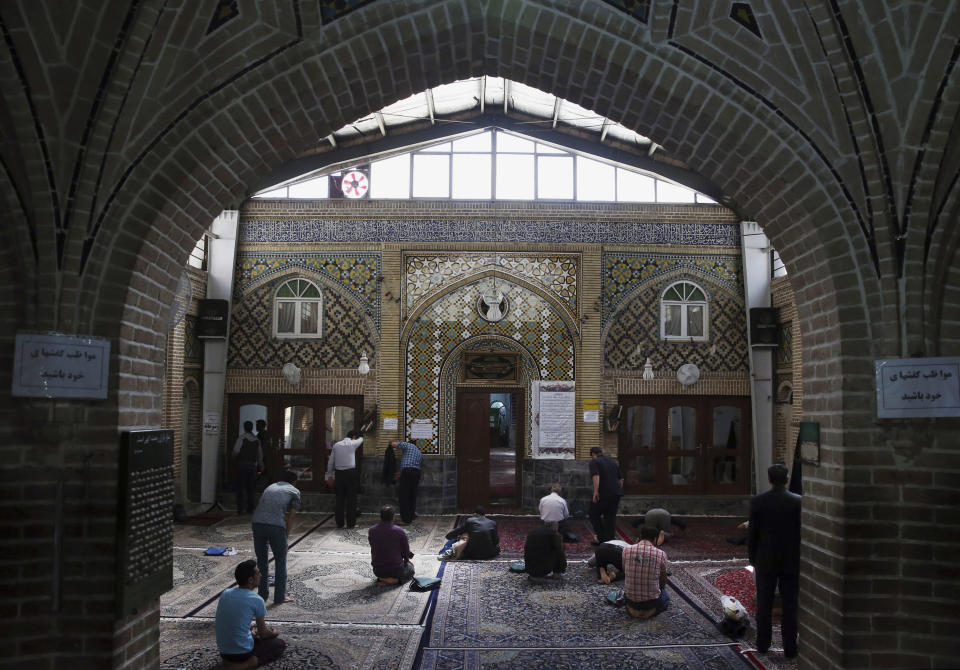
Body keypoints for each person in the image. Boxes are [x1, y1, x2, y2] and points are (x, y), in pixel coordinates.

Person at [749, 463, 801, 658]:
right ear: (786, 478)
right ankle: (790, 648)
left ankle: (762, 644)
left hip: (766, 559)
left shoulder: (758, 501)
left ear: (769, 479)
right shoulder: (797, 501)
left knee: (764, 603)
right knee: (790, 604)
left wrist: (753, 558)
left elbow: (753, 534)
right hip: (790, 560)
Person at [215, 559, 285, 669]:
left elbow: (230, 620)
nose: (261, 575)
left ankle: (230, 662)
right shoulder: (256, 600)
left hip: (224, 652)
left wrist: (247, 629)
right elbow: (263, 634)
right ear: (251, 580)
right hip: (242, 653)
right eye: (258, 573)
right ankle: (246, 664)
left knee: (252, 634)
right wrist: (274, 633)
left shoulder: (226, 593)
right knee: (279, 644)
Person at [251, 471, 300, 605]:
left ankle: (262, 595)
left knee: (262, 562)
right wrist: (286, 536)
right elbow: (291, 516)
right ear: (294, 482)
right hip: (275, 526)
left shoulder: (270, 487)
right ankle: (279, 597)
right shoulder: (294, 491)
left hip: (257, 523)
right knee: (280, 560)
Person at [623, 525, 670, 618]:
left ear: (640, 537)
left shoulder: (626, 550)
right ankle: (649, 612)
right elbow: (663, 579)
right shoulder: (660, 554)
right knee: (665, 595)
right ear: (655, 539)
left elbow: (625, 571)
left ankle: (633, 610)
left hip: (631, 601)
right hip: (651, 603)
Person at [325, 430, 364, 528]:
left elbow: (331, 461)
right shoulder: (353, 443)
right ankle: (351, 524)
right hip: (351, 474)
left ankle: (340, 523)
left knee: (339, 499)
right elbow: (361, 439)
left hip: (339, 475)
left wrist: (330, 475)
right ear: (354, 436)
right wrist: (361, 435)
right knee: (351, 500)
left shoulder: (337, 445)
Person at [368, 505, 415, 586]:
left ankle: (382, 578)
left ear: (381, 517)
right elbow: (405, 550)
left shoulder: (372, 530)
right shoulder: (399, 531)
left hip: (378, 571)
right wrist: (407, 560)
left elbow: (374, 545)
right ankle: (394, 581)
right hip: (396, 570)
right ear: (393, 517)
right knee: (411, 569)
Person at [588, 447, 623, 543]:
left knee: (593, 514)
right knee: (610, 517)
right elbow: (621, 479)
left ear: (593, 455)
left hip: (603, 493)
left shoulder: (594, 462)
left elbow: (596, 476)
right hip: (616, 493)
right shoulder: (613, 462)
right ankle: (610, 540)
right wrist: (618, 490)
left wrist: (595, 491)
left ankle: (601, 537)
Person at [232, 421, 263, 514]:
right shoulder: (257, 440)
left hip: (242, 465)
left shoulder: (241, 438)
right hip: (252, 466)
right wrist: (260, 464)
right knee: (251, 488)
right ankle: (250, 509)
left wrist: (234, 458)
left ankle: (240, 510)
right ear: (252, 428)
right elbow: (260, 455)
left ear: (244, 428)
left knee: (241, 488)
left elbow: (235, 451)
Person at [390, 439, 423, 524]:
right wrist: (401, 473)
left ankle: (405, 520)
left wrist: (390, 441)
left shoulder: (408, 445)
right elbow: (411, 464)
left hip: (407, 472)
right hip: (416, 473)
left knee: (404, 496)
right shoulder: (419, 452)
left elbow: (393, 444)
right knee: (412, 495)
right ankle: (411, 517)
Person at [256, 419, 278, 485]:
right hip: (263, 456)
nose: (256, 427)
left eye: (258, 425)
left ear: (263, 426)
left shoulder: (265, 435)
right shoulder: (259, 435)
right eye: (256, 425)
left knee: (264, 471)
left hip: (265, 456)